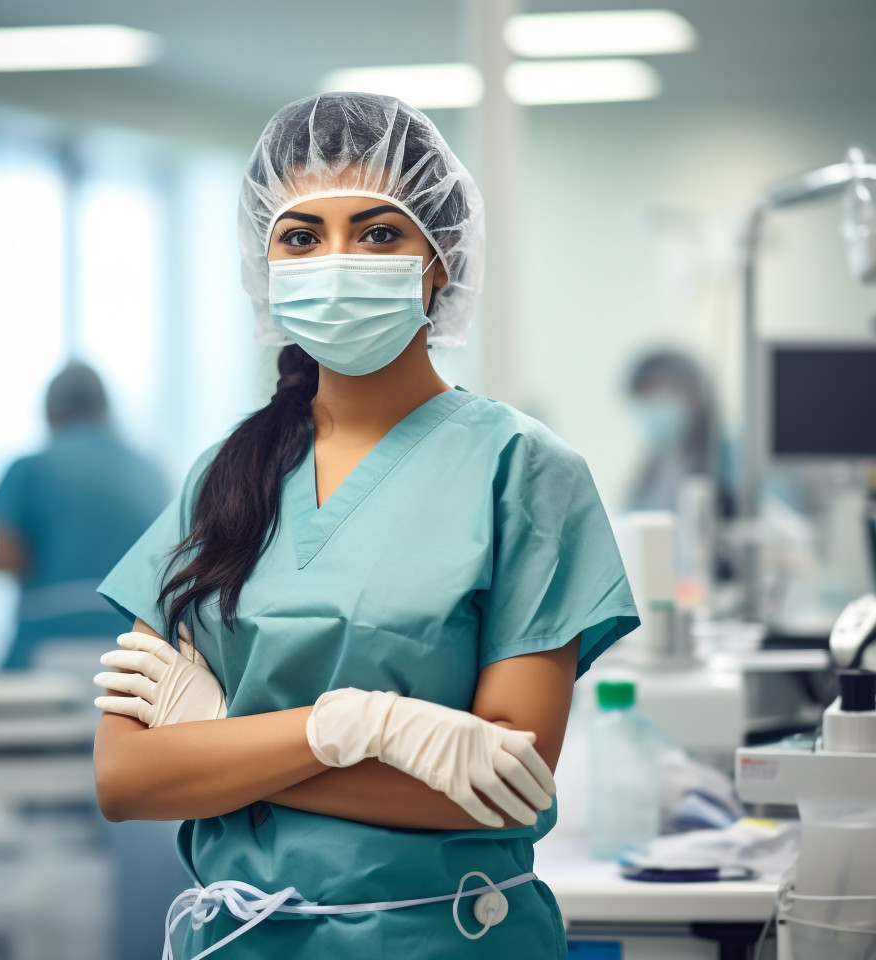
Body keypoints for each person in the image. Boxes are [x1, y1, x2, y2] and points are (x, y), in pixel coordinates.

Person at [92, 92, 640, 959]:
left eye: (380, 233)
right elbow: (126, 778)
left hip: (446, 938)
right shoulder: (224, 478)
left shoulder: (524, 473)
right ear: (265, 263)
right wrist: (348, 727)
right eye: (303, 237)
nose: (338, 261)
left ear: (440, 259)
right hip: (237, 941)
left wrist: (226, 742)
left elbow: (502, 791)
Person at [0, 362, 167, 670]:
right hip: (133, 651)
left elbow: (5, 559)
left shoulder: (30, 468)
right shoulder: (151, 472)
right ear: (105, 409)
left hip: (46, 648)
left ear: (50, 413)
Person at [625, 349, 734, 516]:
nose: (651, 410)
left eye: (659, 395)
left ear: (695, 393)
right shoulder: (653, 468)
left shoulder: (732, 459)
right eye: (645, 400)